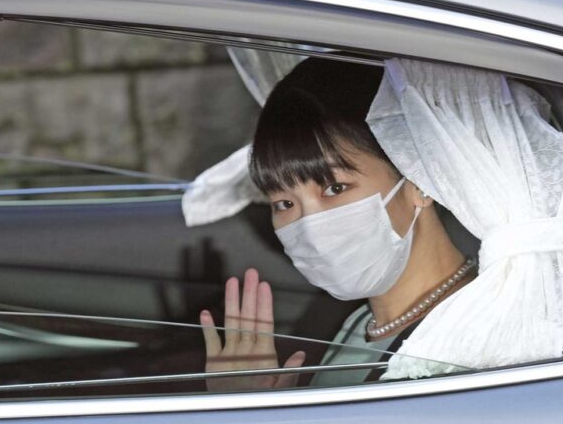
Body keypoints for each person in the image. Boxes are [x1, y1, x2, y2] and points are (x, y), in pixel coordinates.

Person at [198, 57, 476, 390]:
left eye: (335, 188)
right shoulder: (358, 320)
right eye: (284, 203)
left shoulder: (467, 344)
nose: (310, 227)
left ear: (419, 179)